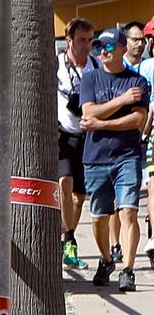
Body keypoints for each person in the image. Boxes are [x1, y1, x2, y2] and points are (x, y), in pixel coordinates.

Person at [80, 27, 149, 291]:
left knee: (128, 212)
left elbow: (138, 121)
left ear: (121, 48)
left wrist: (101, 123)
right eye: (99, 47)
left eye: (108, 47)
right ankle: (106, 259)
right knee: (99, 216)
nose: (102, 52)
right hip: (95, 157)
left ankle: (128, 270)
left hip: (127, 156)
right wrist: (121, 100)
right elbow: (88, 112)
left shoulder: (139, 83)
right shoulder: (91, 79)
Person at [59, 18, 95, 270]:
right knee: (64, 182)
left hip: (88, 135)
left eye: (90, 39)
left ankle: (68, 235)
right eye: (82, 39)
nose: (87, 45)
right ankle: (66, 239)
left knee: (79, 195)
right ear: (69, 40)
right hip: (62, 134)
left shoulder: (94, 66)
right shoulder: (57, 65)